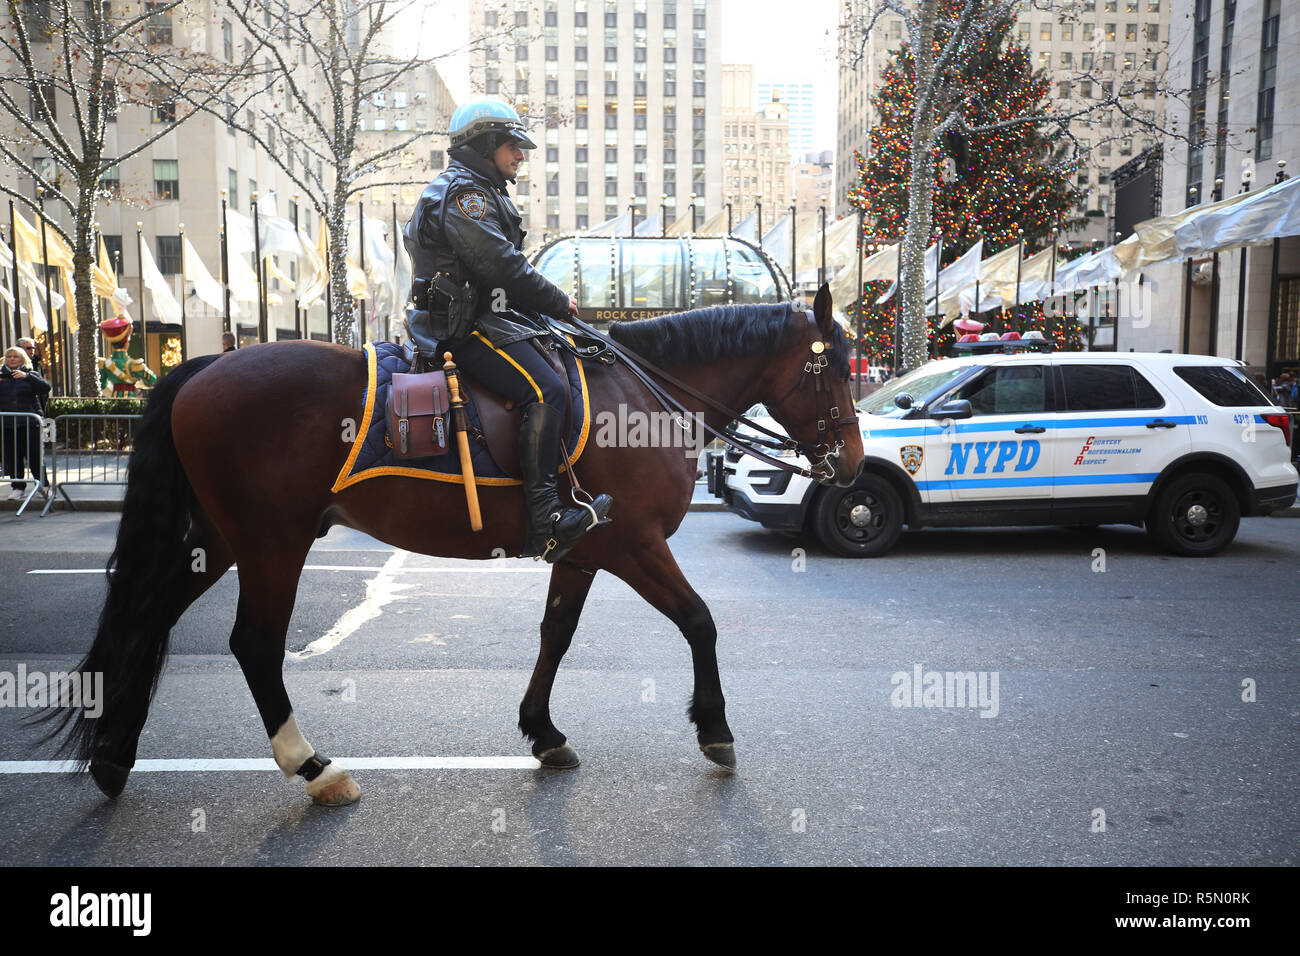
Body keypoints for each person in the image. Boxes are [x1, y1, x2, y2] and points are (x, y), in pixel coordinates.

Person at [403, 98, 611, 562]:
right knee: (548, 391)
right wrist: (559, 302)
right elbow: (500, 266)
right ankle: (546, 522)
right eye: (513, 146)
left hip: (482, 317)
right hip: (461, 329)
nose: (520, 155)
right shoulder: (465, 195)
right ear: (486, 145)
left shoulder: (480, 190)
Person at [1, 345, 51, 501]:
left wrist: (26, 377)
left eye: (15, 356)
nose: (12, 359)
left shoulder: (31, 374)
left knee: (35, 456)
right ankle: (17, 488)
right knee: (12, 457)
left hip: (29, 423)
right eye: (9, 357)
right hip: (8, 423)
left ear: (23, 359)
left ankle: (43, 486)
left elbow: (45, 388)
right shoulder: (1, 376)